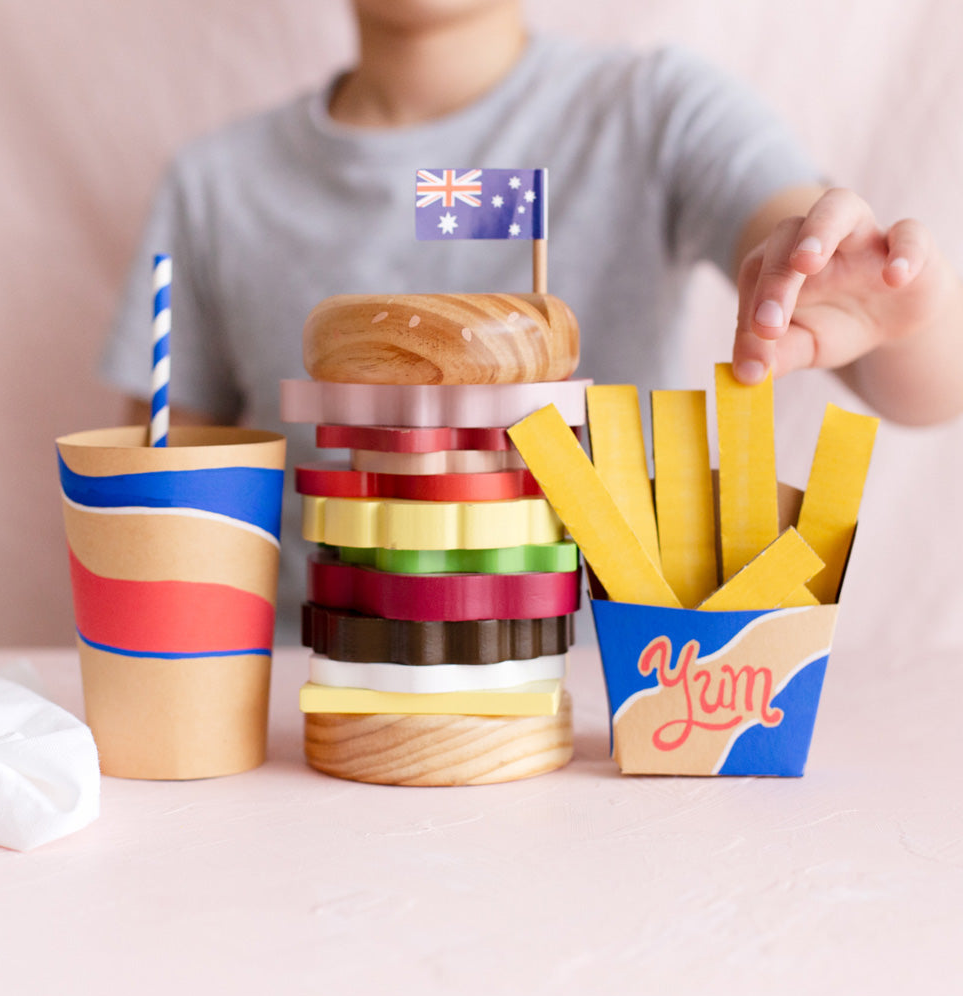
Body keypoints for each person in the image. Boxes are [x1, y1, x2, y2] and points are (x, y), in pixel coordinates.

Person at [102, 0, 963, 638]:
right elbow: (169, 504)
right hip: (320, 677)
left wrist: (881, 302)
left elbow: (921, 375)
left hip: (611, 687)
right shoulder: (216, 183)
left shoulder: (655, 109)